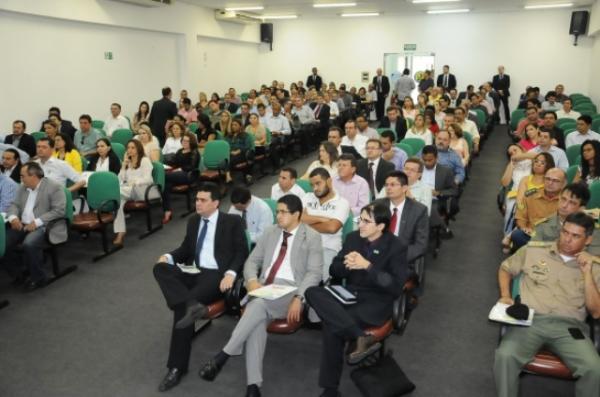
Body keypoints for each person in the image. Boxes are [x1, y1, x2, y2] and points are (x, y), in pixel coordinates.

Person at [199, 194, 322, 396]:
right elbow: (251, 262)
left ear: (297, 214)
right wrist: (252, 281)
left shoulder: (312, 236)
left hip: (290, 290)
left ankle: (224, 355)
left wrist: (299, 297)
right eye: (277, 212)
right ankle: (253, 386)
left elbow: (314, 273)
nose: (278, 216)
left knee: (256, 306)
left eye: (283, 212)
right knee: (257, 318)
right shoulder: (271, 232)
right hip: (264, 288)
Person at [305, 203, 408, 397]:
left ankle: (330, 389)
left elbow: (395, 286)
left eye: (366, 221)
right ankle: (360, 336)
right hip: (350, 293)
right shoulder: (353, 239)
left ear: (381, 226)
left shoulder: (396, 247)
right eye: (360, 219)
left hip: (375, 301)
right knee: (312, 292)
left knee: (331, 325)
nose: (360, 224)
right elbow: (333, 270)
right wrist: (347, 265)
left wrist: (367, 266)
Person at [152, 182, 248, 392]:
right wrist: (168, 257)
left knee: (182, 310)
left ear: (215, 203)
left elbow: (242, 252)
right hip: (194, 270)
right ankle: (190, 304)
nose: (198, 203)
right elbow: (186, 249)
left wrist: (231, 274)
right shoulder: (194, 221)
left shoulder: (232, 221)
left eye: (203, 200)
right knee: (160, 268)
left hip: (216, 275)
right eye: (196, 199)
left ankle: (176, 368)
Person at [494, 212, 600, 397]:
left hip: (569, 328)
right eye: (565, 232)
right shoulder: (534, 250)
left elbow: (596, 312)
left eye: (575, 236)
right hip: (531, 322)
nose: (567, 239)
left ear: (588, 239)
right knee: (505, 356)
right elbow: (505, 268)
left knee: (594, 369)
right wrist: (505, 295)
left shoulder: (595, 268)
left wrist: (587, 274)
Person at [2, 162, 66, 290]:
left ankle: (39, 278)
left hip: (45, 226)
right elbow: (14, 205)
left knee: (29, 244)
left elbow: (59, 211)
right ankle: (19, 274)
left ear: (34, 176)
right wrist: (13, 218)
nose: (21, 179)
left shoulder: (54, 187)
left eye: (23, 176)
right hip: (22, 225)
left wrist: (37, 222)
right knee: (2, 243)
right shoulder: (23, 187)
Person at [302, 167, 351, 280]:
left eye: (318, 183)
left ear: (329, 181)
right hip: (304, 246)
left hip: (327, 248)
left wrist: (307, 221)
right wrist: (322, 219)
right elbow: (297, 218)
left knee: (314, 279)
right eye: (312, 185)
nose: (315, 188)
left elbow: (332, 228)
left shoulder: (342, 202)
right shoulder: (307, 197)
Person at [532, 183, 600, 255]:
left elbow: (595, 257)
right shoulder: (543, 224)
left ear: (581, 208)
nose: (564, 205)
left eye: (572, 203)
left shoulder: (593, 230)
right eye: (563, 199)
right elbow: (533, 251)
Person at [375, 171, 428, 263]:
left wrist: (399, 257)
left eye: (393, 185)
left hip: (401, 256)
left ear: (404, 188)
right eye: (386, 185)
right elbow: (363, 227)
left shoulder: (419, 210)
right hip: (375, 253)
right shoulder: (376, 205)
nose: (388, 188)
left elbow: (420, 245)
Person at [510, 168, 566, 250]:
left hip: (553, 238)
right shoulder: (530, 194)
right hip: (532, 234)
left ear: (563, 184)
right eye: (548, 179)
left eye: (555, 181)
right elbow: (520, 217)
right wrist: (524, 228)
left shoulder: (566, 200)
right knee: (517, 235)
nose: (550, 183)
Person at [113, 139, 155, 246]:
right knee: (118, 202)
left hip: (143, 190)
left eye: (133, 148)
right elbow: (120, 180)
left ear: (138, 149)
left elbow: (148, 179)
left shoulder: (145, 160)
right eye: (128, 148)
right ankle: (120, 232)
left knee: (116, 193)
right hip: (128, 191)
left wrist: (135, 182)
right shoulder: (128, 162)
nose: (130, 150)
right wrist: (123, 165)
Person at [162, 132, 200, 224]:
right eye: (183, 140)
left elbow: (192, 166)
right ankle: (167, 211)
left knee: (164, 176)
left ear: (191, 142)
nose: (184, 142)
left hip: (189, 175)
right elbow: (174, 162)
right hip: (177, 175)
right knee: (166, 185)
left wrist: (180, 169)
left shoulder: (194, 152)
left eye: (187, 141)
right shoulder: (180, 151)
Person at [224, 119, 253, 184]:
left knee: (229, 159)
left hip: (242, 154)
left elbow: (248, 146)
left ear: (240, 126)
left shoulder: (245, 135)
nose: (233, 126)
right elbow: (225, 145)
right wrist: (229, 151)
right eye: (232, 125)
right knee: (225, 159)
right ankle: (227, 177)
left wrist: (239, 151)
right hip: (230, 153)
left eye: (235, 125)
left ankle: (228, 176)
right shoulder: (229, 136)